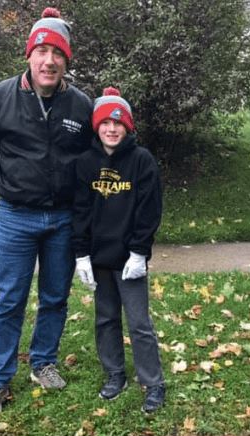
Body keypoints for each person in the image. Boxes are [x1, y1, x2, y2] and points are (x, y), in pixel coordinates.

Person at [0, 7, 93, 414]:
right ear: (29, 55)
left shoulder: (80, 105)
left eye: (57, 53)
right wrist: (12, 183)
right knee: (9, 300)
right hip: (16, 216)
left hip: (62, 218)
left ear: (66, 60)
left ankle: (43, 362)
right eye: (41, 50)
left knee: (56, 296)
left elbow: (88, 158)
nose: (49, 60)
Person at [72, 87, 166, 413]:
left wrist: (140, 252)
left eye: (118, 123)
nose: (112, 130)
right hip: (99, 259)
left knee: (139, 323)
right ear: (96, 127)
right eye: (105, 124)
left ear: (127, 127)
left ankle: (153, 382)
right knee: (106, 319)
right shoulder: (85, 163)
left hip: (129, 260)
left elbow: (149, 210)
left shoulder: (142, 162)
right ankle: (115, 374)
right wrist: (81, 255)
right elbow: (80, 212)